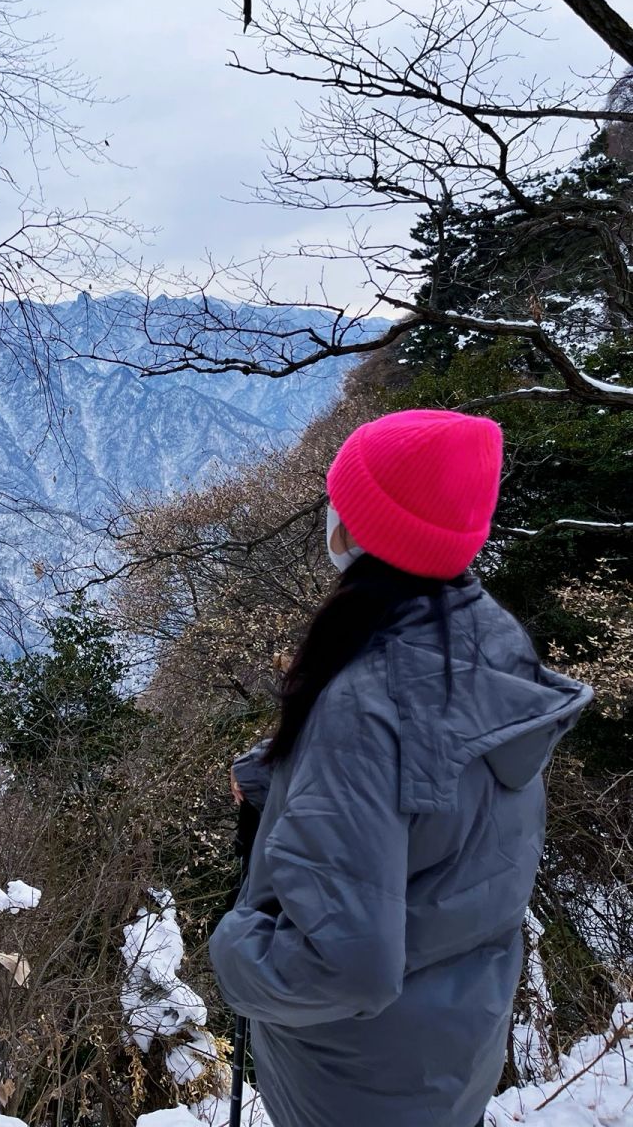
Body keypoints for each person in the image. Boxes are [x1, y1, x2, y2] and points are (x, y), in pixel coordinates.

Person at [209, 408, 592, 1127]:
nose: (330, 513)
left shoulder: (365, 705)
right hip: (447, 1048)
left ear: (365, 530)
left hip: (353, 1083)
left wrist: (235, 949)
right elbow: (435, 799)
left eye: (340, 499)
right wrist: (284, 776)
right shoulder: (483, 643)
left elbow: (343, 966)